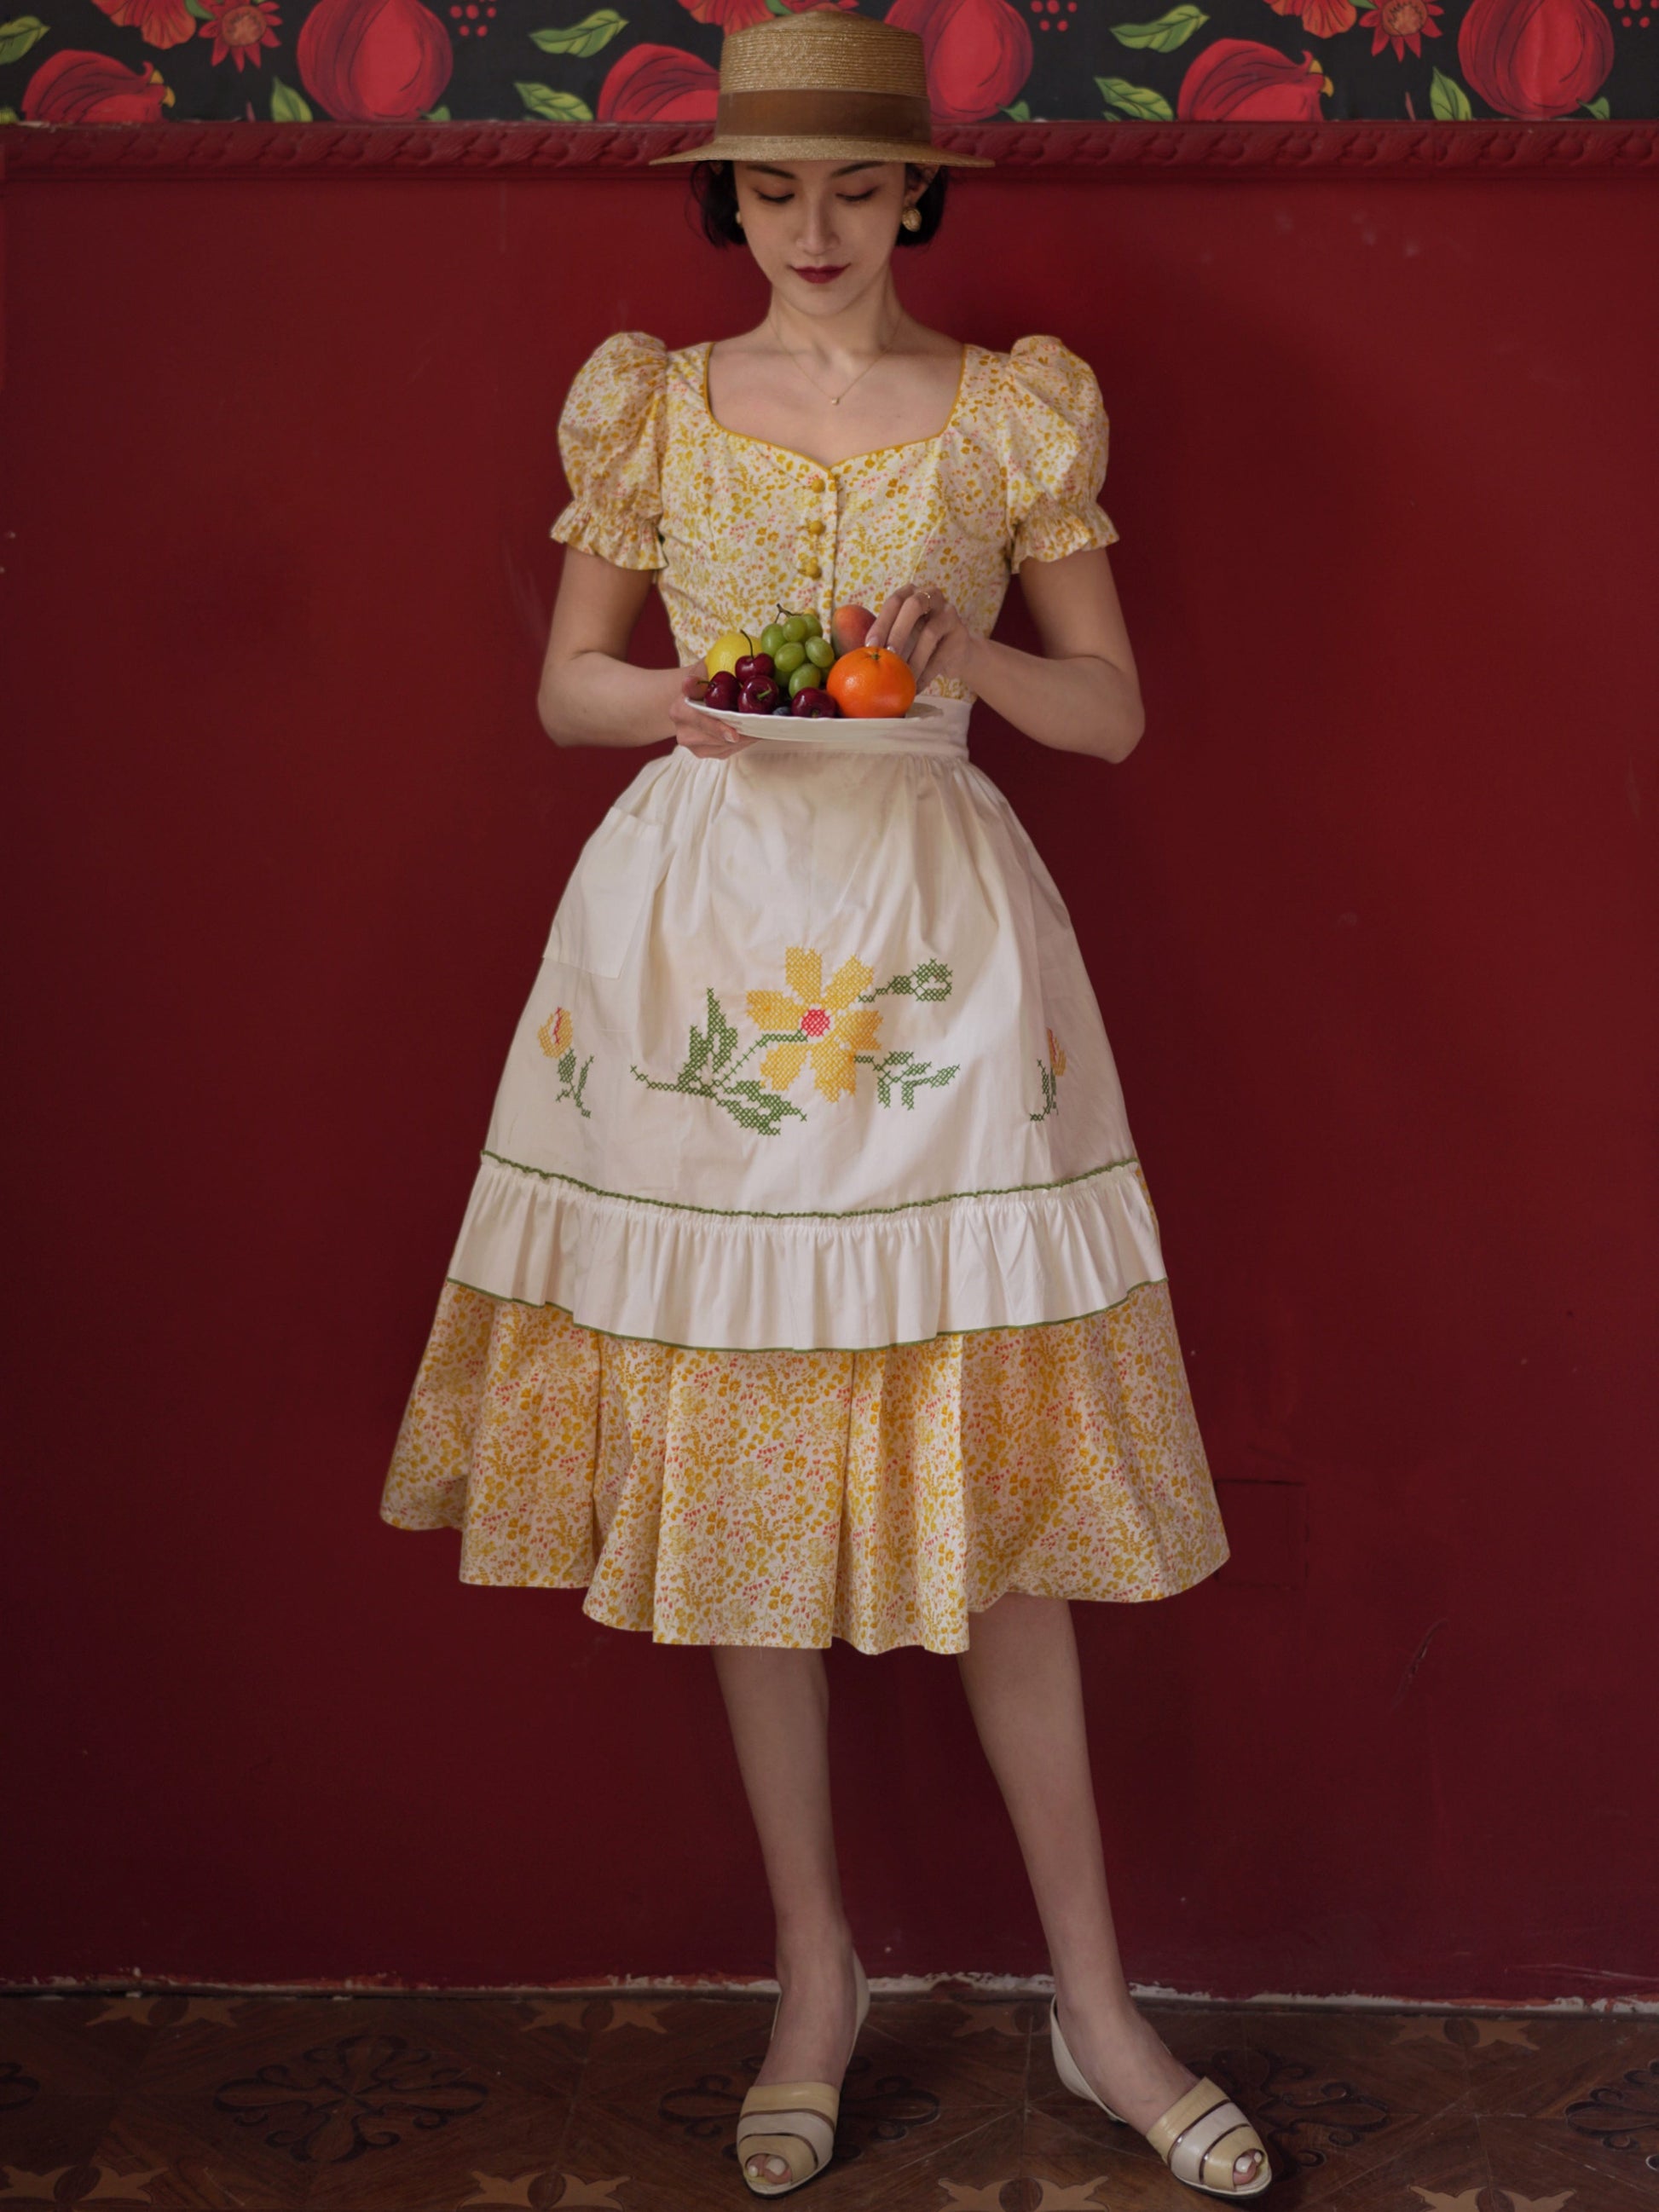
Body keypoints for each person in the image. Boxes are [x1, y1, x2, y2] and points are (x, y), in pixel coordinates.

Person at [380, 10, 1269, 2201]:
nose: (812, 229)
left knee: (998, 1498)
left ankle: (1091, 2001)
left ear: (915, 194)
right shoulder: (654, 406)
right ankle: (814, 1970)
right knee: (748, 1474)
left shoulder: (1008, 411)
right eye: (774, 190)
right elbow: (568, 685)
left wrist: (965, 662)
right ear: (729, 198)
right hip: (696, 947)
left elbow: (1120, 714)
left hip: (943, 958)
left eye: (854, 188)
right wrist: (687, 691)